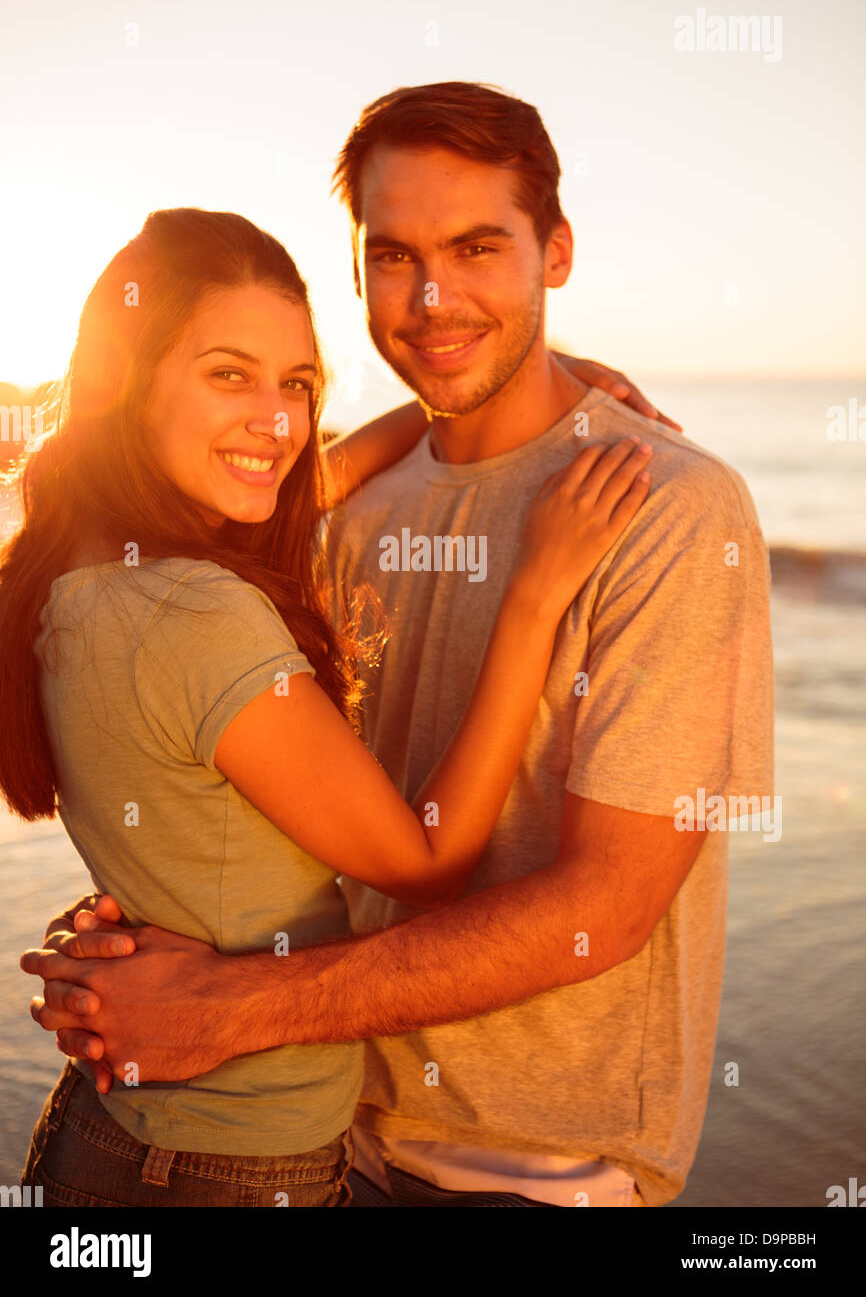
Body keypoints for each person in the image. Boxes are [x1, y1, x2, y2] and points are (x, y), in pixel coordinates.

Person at [22, 81, 774, 1209]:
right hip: (313, 1132)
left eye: (477, 248)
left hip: (525, 1170)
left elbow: (601, 909)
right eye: (391, 256)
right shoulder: (320, 515)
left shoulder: (667, 507)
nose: (430, 297)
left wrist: (236, 1001)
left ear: (553, 253)